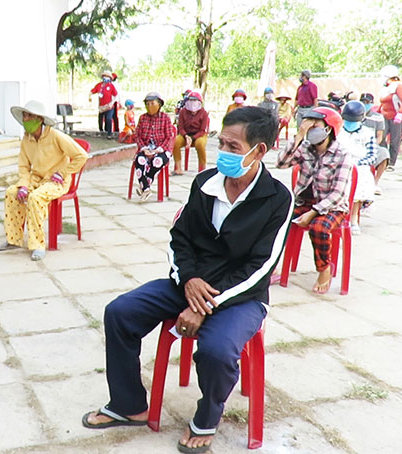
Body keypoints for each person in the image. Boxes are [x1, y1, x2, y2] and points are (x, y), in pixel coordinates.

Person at [83, 106, 293, 454]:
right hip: (190, 282)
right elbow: (179, 238)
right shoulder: (205, 182)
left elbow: (262, 265)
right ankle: (129, 404)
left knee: (215, 349)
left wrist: (206, 303)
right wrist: (189, 281)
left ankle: (207, 418)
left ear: (259, 151)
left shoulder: (277, 199)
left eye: (233, 147)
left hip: (240, 295)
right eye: (221, 142)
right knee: (120, 312)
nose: (223, 152)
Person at [0, 100, 88, 260]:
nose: (25, 119)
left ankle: (37, 244)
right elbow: (23, 166)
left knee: (35, 198)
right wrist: (23, 185)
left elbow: (81, 155)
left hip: (57, 181)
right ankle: (13, 239)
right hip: (36, 178)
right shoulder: (27, 139)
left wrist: (64, 172)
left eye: (29, 115)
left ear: (39, 119)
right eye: (24, 115)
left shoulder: (56, 136)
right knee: (12, 192)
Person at [276, 107, 353, 294]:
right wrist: (299, 136)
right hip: (305, 202)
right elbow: (281, 163)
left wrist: (314, 212)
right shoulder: (305, 148)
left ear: (328, 129)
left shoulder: (342, 154)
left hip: (332, 206)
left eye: (314, 125)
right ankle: (271, 266)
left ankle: (324, 268)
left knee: (318, 227)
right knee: (275, 219)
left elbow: (338, 194)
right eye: (307, 125)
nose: (310, 129)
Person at [337, 101, 377, 235]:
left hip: (359, 165)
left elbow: (372, 156)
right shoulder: (337, 131)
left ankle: (353, 219)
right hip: (338, 164)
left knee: (359, 182)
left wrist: (359, 163)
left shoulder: (368, 133)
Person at [378, 64, 402, 171]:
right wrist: (377, 112)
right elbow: (383, 103)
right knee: (380, 137)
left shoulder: (398, 86)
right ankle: (383, 158)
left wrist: (400, 113)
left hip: (396, 117)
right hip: (384, 116)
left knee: (394, 140)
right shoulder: (385, 88)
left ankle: (391, 163)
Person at [172, 91, 209, 174]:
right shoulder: (183, 112)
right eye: (191, 100)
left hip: (199, 135)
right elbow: (180, 127)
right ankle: (178, 168)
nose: (193, 103)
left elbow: (202, 130)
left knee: (200, 144)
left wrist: (192, 138)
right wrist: (186, 136)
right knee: (176, 142)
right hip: (185, 134)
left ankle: (202, 169)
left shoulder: (203, 113)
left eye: (195, 101)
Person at [360, 92, 389, 194]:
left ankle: (375, 183)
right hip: (358, 142)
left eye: (367, 102)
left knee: (384, 153)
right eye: (363, 102)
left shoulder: (378, 117)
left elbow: (379, 136)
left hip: (371, 144)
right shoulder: (357, 115)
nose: (365, 104)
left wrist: (372, 145)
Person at [89, 70, 118, 138]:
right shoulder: (99, 85)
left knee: (108, 119)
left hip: (109, 106)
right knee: (100, 120)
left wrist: (112, 103)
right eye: (105, 76)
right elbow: (92, 91)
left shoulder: (111, 86)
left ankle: (109, 133)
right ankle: (101, 131)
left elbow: (116, 95)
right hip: (101, 106)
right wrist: (89, 96)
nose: (106, 78)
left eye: (107, 76)